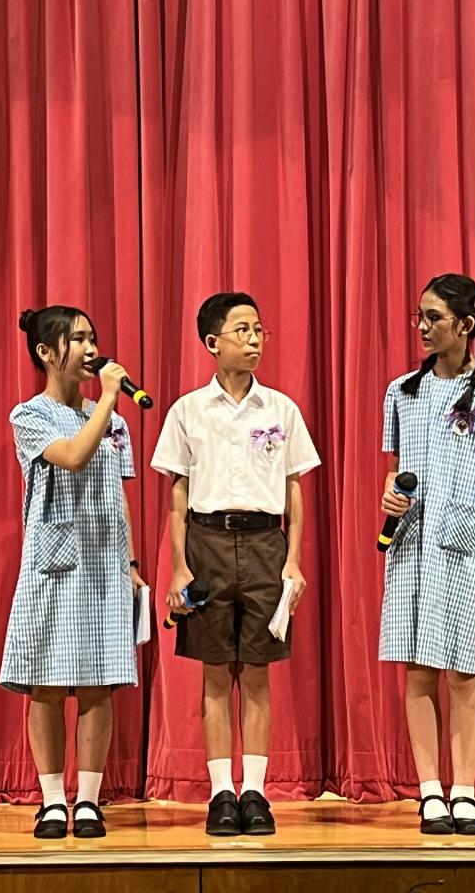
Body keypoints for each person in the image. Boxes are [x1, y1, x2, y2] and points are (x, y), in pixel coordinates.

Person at [151, 292, 320, 836]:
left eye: (258, 330)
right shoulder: (188, 411)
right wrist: (179, 568)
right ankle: (222, 792)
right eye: (242, 330)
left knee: (259, 673)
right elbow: (177, 495)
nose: (253, 340)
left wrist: (293, 561)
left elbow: (294, 488)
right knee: (216, 672)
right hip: (208, 541)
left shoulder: (281, 409)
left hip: (266, 543)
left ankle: (256, 792)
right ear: (212, 342)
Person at [378, 274, 475, 836]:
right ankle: (430, 792)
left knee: (464, 672)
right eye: (419, 315)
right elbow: (396, 469)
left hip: (465, 546)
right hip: (410, 544)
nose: (422, 326)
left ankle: (465, 791)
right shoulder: (402, 391)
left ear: (465, 325)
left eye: (433, 317)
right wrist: (389, 494)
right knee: (418, 669)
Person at [0, 306, 145, 839]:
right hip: (53, 562)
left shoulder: (116, 422)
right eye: (78, 339)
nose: (91, 349)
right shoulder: (29, 415)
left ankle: (88, 799)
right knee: (46, 684)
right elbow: (74, 456)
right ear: (46, 352)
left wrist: (132, 562)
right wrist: (107, 399)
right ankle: (52, 800)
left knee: (98, 684)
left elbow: (119, 496)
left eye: (93, 338)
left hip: (105, 561)